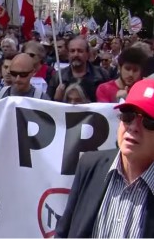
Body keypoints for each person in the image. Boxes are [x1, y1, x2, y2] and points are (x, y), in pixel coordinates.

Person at [56, 78, 154, 238]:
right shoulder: (90, 166)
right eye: (128, 116)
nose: (134, 127)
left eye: (149, 122)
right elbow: (63, 232)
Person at [47, 37, 109, 102]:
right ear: (68, 54)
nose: (76, 54)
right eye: (72, 51)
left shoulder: (101, 74)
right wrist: (57, 99)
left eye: (80, 51)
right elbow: (48, 105)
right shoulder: (58, 77)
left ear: (87, 54)